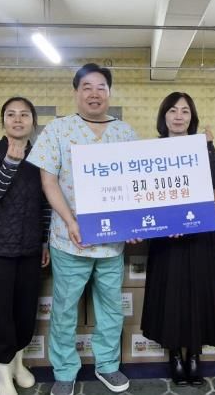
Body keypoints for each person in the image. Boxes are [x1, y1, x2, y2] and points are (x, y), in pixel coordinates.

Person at [27, 63, 137, 395]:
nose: (94, 93)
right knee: (64, 309)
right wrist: (71, 222)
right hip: (69, 239)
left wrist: (133, 223)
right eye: (86, 87)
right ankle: (64, 370)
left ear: (109, 93)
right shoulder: (58, 130)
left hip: (112, 243)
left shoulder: (125, 133)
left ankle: (108, 366)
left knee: (111, 308)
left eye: (101, 87)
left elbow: (134, 184)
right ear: (76, 92)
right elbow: (48, 182)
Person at [141, 92, 215, 387]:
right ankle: (175, 355)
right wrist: (165, 222)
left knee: (198, 290)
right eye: (173, 110)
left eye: (185, 111)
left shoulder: (200, 147)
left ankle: (194, 355)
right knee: (171, 292)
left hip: (200, 232)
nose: (179, 116)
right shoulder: (151, 150)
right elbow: (143, 192)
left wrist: (209, 147)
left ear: (192, 118)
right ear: (163, 116)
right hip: (165, 234)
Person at [0, 97, 51, 395]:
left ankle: (18, 365)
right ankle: (2, 375)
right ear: (3, 120)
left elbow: (45, 204)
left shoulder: (41, 155)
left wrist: (43, 241)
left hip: (29, 249)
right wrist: (10, 162)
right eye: (11, 114)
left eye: (24, 115)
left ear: (33, 121)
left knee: (24, 312)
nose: (18, 120)